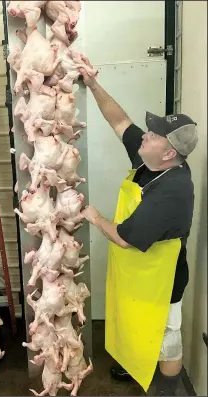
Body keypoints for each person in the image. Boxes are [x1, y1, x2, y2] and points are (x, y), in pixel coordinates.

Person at [79, 59, 198, 396]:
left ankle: (166, 389)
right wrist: (92, 84)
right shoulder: (150, 160)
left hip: (162, 278)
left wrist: (95, 217)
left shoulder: (172, 190)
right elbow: (119, 119)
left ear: (170, 151)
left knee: (165, 336)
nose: (145, 135)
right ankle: (138, 366)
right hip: (138, 271)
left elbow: (124, 237)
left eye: (155, 134)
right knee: (134, 322)